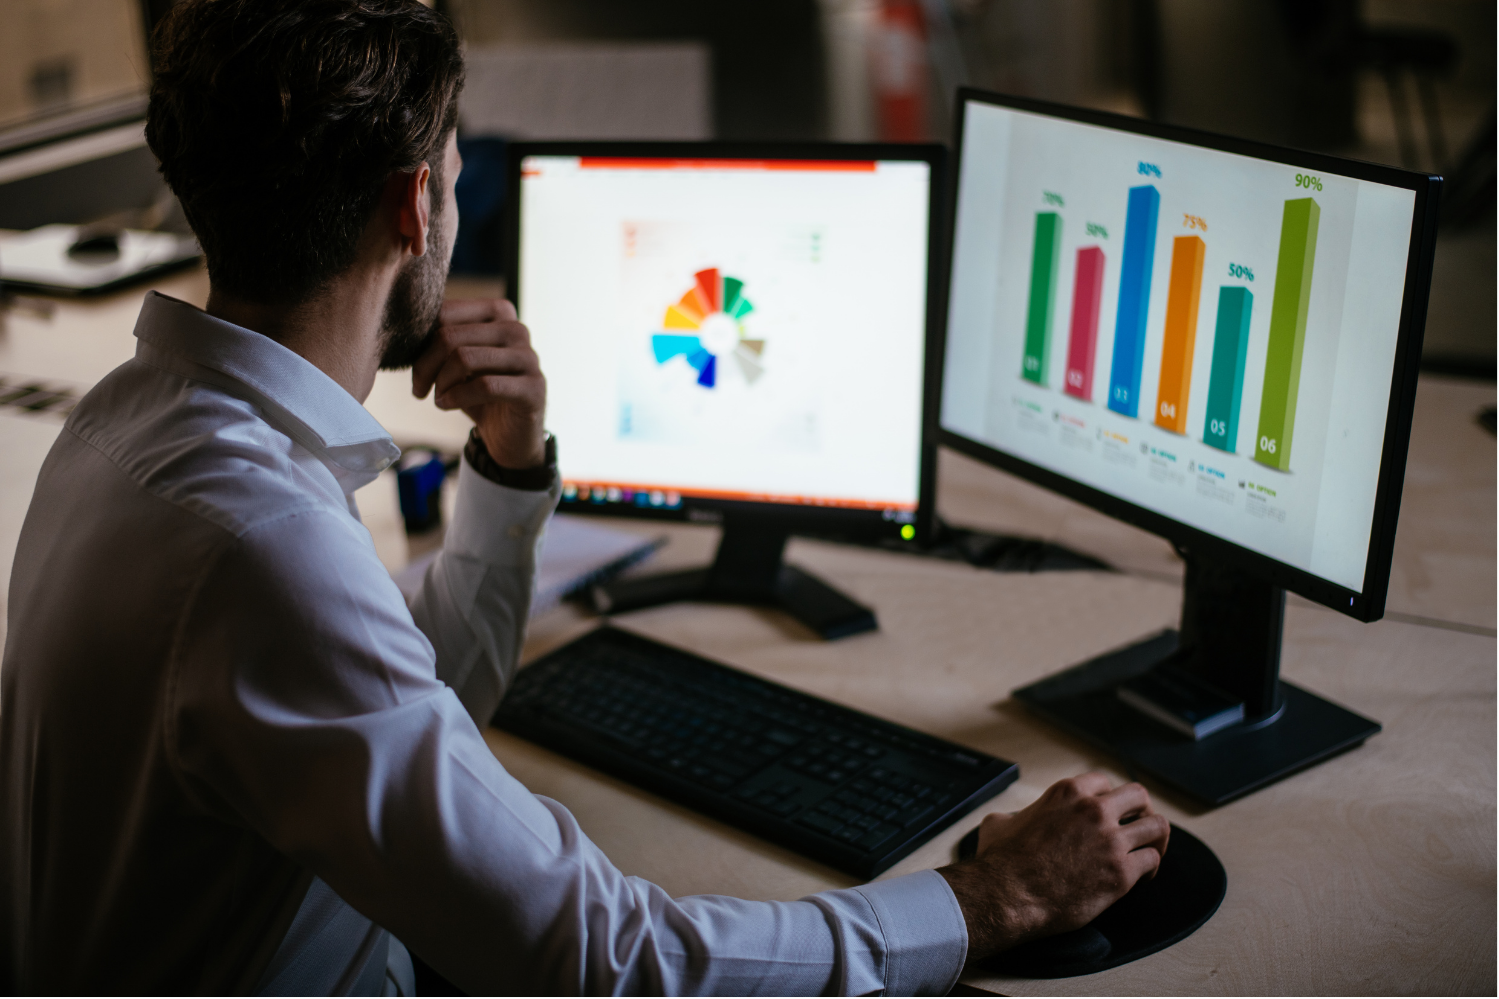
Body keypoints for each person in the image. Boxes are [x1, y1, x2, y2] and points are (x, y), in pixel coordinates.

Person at [0, 0, 1170, 994]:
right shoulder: (264, 548)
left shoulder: (127, 425)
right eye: (456, 182)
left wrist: (508, 469)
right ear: (416, 208)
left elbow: (402, 721)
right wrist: (977, 902)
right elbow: (604, 958)